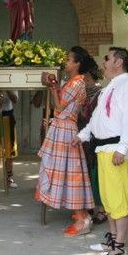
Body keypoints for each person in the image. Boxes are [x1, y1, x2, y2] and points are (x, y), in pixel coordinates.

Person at [73, 46, 128, 255]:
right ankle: (112, 241)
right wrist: (82, 135)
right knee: (108, 200)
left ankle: (119, 248)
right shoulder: (109, 87)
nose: (103, 62)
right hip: (103, 149)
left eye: (107, 58)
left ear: (119, 62)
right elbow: (97, 119)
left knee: (118, 200)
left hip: (116, 149)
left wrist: (123, 149)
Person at [36, 46, 94, 236]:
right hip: (63, 127)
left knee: (71, 173)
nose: (66, 62)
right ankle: (81, 215)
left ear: (77, 63)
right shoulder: (74, 81)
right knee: (67, 172)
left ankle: (82, 218)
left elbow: (59, 106)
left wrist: (53, 86)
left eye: (69, 59)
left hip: (65, 130)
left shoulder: (76, 82)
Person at [78, 60, 106, 224]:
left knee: (95, 174)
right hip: (84, 138)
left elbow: (93, 117)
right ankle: (90, 205)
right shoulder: (85, 91)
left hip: (93, 139)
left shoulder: (99, 92)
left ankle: (100, 209)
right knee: (87, 173)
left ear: (87, 74)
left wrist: (81, 112)